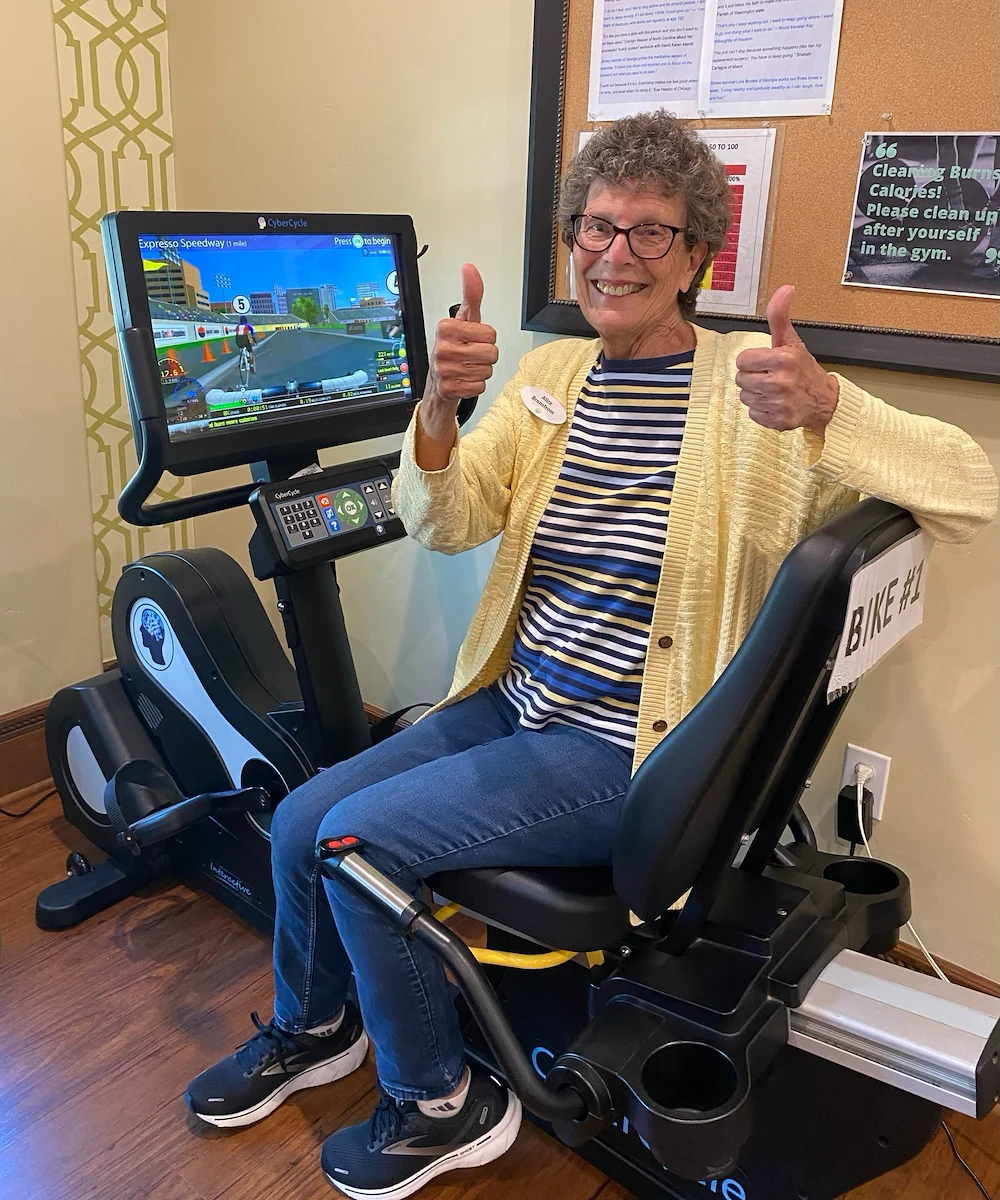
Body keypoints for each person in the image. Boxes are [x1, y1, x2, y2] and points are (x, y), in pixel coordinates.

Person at [185, 113, 998, 1199]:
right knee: (298, 818)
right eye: (595, 227)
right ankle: (315, 1027)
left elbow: (970, 488)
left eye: (650, 231)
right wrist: (439, 407)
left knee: (353, 842)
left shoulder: (759, 397)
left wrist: (830, 408)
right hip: (513, 703)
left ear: (695, 257)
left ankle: (442, 1104)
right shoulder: (554, 373)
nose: (615, 254)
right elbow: (445, 520)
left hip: (626, 749)